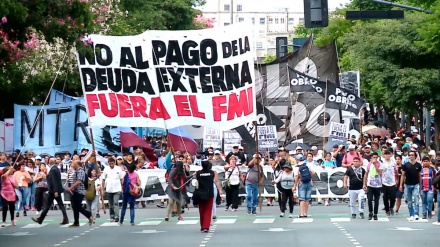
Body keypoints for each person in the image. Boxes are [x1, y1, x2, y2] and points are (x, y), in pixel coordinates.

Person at [32, 157, 69, 225]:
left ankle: (40, 219)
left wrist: (55, 191)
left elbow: (54, 181)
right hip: (54, 190)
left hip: (53, 191)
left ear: (49, 162)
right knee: (57, 205)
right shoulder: (55, 169)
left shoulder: (53, 169)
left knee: (49, 205)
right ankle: (65, 218)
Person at [195, 160, 222, 233]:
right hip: (209, 193)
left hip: (200, 193)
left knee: (201, 210)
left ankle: (202, 226)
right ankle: (206, 226)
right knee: (208, 210)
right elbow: (217, 181)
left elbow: (196, 180)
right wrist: (220, 189)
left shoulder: (198, 173)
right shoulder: (213, 173)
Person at [65, 160, 93, 227]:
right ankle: (76, 222)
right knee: (75, 206)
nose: (72, 165)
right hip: (75, 191)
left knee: (77, 206)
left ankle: (89, 215)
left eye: (73, 164)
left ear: (77, 164)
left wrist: (71, 188)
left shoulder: (80, 171)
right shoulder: (76, 171)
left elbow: (78, 181)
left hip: (79, 191)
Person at [399, 151, 422, 221]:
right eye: (410, 155)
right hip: (407, 184)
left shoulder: (418, 165)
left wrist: (420, 185)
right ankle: (411, 214)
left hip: (416, 184)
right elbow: (403, 175)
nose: (411, 156)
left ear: (415, 156)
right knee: (409, 201)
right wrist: (401, 185)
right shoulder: (405, 165)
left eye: (412, 155)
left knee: (416, 199)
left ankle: (416, 214)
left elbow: (419, 175)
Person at [102, 157, 124, 223]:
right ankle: (112, 216)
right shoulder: (106, 169)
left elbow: (121, 178)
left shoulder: (118, 169)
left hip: (117, 188)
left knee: (115, 202)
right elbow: (103, 179)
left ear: (114, 163)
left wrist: (122, 187)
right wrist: (103, 189)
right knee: (110, 204)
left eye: (112, 163)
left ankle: (117, 216)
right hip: (109, 188)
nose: (111, 165)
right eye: (110, 164)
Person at [363, 153, 383, 221]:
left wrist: (375, 165)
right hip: (370, 185)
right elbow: (365, 174)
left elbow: (380, 173)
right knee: (369, 199)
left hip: (378, 185)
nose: (375, 158)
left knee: (376, 200)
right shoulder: (368, 164)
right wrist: (364, 184)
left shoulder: (380, 164)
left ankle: (375, 214)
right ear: (371, 158)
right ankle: (370, 212)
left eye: (376, 157)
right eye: (373, 157)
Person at [381, 150, 397, 216]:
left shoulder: (393, 162)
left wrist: (396, 180)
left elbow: (396, 171)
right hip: (384, 182)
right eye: (386, 154)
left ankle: (391, 207)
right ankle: (387, 210)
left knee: (393, 197)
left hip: (392, 182)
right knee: (385, 197)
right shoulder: (382, 163)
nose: (387, 155)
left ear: (390, 155)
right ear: (384, 155)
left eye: (388, 154)